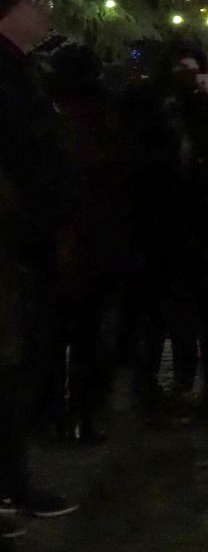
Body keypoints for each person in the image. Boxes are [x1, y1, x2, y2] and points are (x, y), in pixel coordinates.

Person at [0, 0, 78, 523]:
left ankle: (12, 481)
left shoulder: (20, 69)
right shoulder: (5, 74)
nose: (48, 11)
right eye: (39, 0)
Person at [42, 42, 131, 444]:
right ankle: (83, 411)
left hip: (62, 235)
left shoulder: (49, 111)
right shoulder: (106, 115)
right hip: (94, 236)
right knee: (89, 332)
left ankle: (56, 412)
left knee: (57, 329)